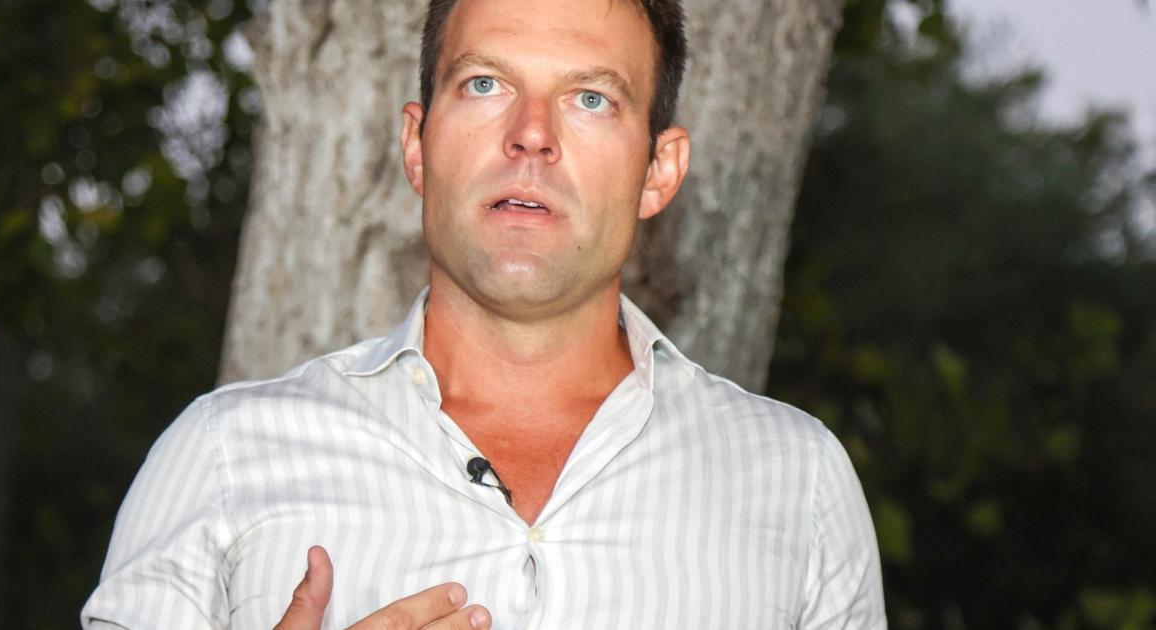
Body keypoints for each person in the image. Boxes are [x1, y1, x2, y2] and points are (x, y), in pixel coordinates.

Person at [82, 0, 885, 627]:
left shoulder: (799, 484)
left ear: (658, 170)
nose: (531, 135)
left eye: (591, 98)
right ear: (418, 144)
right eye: (485, 85)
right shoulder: (221, 460)